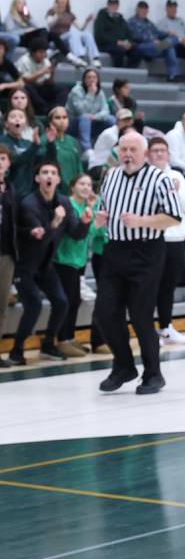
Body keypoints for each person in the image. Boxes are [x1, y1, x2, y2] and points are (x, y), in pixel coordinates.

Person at [94, 130, 182, 394]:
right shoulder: (110, 177)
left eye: (133, 150)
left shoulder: (159, 179)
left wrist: (142, 220)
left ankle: (153, 373)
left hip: (147, 251)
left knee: (141, 316)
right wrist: (101, 217)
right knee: (104, 313)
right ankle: (124, 366)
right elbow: (105, 209)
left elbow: (174, 217)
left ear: (144, 153)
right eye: (123, 150)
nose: (127, 155)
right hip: (115, 250)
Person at [7, 159, 91, 365]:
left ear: (58, 179)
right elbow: (40, 239)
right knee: (34, 305)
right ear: (37, 178)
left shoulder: (63, 202)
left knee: (62, 302)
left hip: (45, 264)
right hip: (25, 264)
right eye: (44, 172)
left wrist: (87, 222)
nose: (49, 176)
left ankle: (48, 344)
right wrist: (54, 221)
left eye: (53, 173)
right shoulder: (29, 204)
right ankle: (16, 351)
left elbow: (76, 234)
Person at [147, 136, 185, 347]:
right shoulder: (144, 176)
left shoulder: (177, 176)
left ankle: (166, 328)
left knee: (169, 285)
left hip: (176, 239)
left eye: (162, 150)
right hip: (152, 238)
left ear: (168, 154)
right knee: (150, 286)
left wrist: (175, 193)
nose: (159, 154)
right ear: (148, 154)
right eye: (155, 150)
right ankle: (149, 331)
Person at [47, 171, 100, 358]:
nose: (86, 187)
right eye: (82, 184)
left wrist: (93, 216)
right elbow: (77, 234)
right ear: (72, 187)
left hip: (78, 260)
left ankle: (69, 336)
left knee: (74, 300)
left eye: (89, 185)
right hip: (64, 258)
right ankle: (63, 339)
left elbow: (90, 235)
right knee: (70, 301)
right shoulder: (68, 205)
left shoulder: (86, 206)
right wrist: (95, 224)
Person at [45, 0, 101, 69]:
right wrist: (57, 15)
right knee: (72, 33)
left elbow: (81, 28)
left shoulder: (69, 14)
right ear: (57, 0)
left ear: (67, 1)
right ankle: (78, 56)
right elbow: (49, 24)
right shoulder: (52, 11)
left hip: (67, 38)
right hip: (57, 39)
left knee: (87, 35)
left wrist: (87, 21)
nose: (62, 0)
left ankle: (94, 58)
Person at [66, 66, 115, 153]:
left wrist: (95, 117)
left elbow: (106, 111)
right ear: (84, 79)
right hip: (74, 124)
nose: (92, 79)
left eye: (94, 77)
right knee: (84, 118)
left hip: (93, 122)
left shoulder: (100, 92)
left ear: (98, 79)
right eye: (89, 77)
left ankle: (111, 147)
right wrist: (90, 94)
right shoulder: (76, 91)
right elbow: (81, 111)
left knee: (112, 119)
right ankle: (87, 150)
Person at [127, 0, 180, 81]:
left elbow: (157, 33)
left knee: (171, 45)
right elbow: (136, 36)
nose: (143, 11)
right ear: (137, 10)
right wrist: (152, 41)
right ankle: (165, 44)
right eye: (141, 9)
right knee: (168, 45)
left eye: (145, 9)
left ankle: (173, 75)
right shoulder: (132, 21)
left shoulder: (149, 23)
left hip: (155, 47)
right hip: (142, 47)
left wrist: (168, 34)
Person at [0, 144, 18, 369]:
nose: (0, 162)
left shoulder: (11, 189)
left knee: (1, 305)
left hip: (6, 254)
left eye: (3, 158)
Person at [41, 106, 83, 191]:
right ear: (50, 122)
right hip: (55, 189)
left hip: (74, 190)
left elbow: (79, 166)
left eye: (65, 117)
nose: (62, 121)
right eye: (57, 118)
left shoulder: (73, 141)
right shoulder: (44, 140)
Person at [16, 41, 68, 110]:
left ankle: (57, 108)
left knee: (62, 88)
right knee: (28, 86)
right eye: (40, 52)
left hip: (42, 86)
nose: (43, 54)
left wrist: (52, 73)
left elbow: (49, 83)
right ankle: (45, 107)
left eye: (44, 52)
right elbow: (26, 79)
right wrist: (43, 71)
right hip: (29, 88)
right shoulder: (24, 60)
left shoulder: (46, 61)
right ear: (33, 52)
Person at [2, 108, 39, 195]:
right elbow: (15, 161)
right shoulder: (2, 142)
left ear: (26, 124)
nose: (17, 119)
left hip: (29, 191)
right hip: (10, 191)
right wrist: (35, 146)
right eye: (13, 117)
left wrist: (50, 143)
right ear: (6, 124)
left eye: (21, 117)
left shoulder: (29, 143)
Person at [93, 0, 135, 66]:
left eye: (115, 4)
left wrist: (128, 43)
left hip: (121, 44)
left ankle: (129, 72)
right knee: (120, 50)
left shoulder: (121, 19)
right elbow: (99, 36)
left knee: (137, 51)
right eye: (111, 4)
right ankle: (118, 73)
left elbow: (129, 34)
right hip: (105, 45)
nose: (113, 6)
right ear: (108, 5)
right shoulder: (101, 17)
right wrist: (117, 42)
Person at [0, 38, 25, 111]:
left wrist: (4, 86)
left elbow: (21, 83)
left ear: (5, 51)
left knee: (23, 90)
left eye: (0, 48)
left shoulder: (7, 63)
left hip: (2, 87)